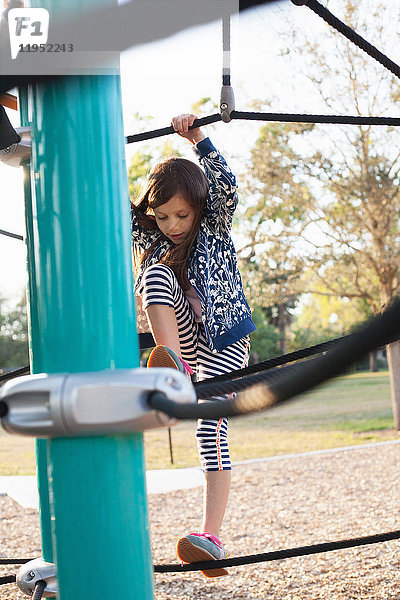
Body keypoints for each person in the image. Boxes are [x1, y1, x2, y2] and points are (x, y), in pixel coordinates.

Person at [131, 113, 256, 577]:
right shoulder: (155, 237)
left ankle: (211, 537)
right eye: (162, 217)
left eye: (182, 214)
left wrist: (198, 138)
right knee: (154, 273)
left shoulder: (214, 223)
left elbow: (224, 186)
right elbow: (117, 208)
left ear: (198, 208)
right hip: (183, 341)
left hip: (223, 336)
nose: (173, 225)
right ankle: (172, 371)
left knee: (210, 430)